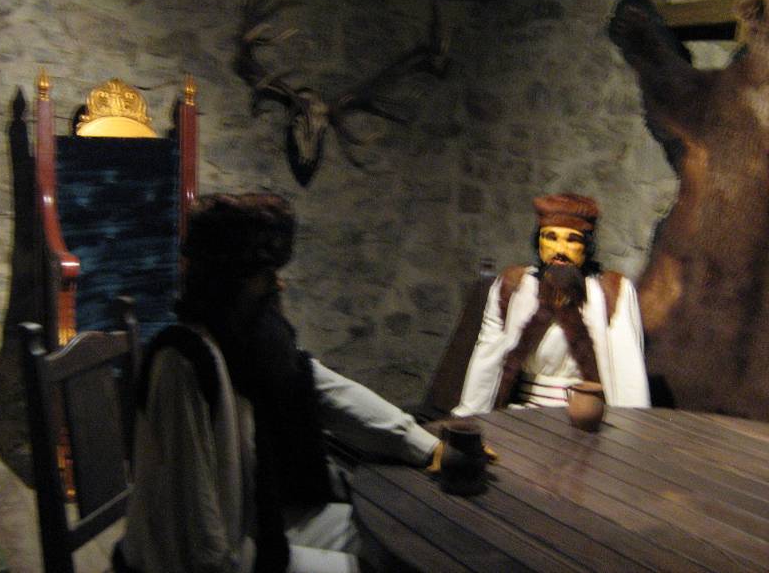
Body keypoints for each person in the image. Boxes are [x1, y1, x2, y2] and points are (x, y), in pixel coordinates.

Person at [116, 193, 439, 573]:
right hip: (218, 556)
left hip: (260, 519)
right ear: (229, 280)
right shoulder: (184, 363)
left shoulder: (250, 345)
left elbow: (329, 393)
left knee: (404, 541)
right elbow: (197, 542)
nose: (279, 285)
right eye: (266, 273)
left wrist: (429, 447)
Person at [452, 193, 650, 417]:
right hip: (520, 414)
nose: (560, 250)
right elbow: (487, 356)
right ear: (539, 241)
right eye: (551, 238)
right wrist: (470, 417)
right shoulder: (513, 287)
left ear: (586, 246)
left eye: (572, 240)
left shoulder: (610, 291)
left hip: (584, 417)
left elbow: (627, 369)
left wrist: (631, 426)